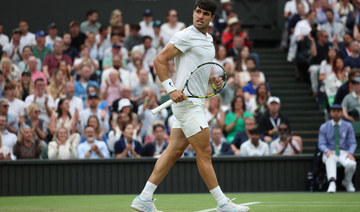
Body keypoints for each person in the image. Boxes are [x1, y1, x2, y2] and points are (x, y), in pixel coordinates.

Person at [131, 1, 250, 211]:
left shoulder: (208, 39)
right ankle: (222, 202)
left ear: (212, 18)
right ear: (193, 13)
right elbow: (159, 60)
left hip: (194, 102)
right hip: (187, 104)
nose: (200, 16)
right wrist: (170, 89)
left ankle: (144, 198)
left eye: (205, 14)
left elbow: (200, 69)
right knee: (205, 151)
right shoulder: (185, 35)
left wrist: (214, 79)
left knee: (174, 151)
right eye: (197, 12)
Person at [318, 104, 357, 193]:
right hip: (330, 151)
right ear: (330, 113)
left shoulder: (348, 126)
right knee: (330, 158)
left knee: (352, 164)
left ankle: (347, 182)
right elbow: (321, 144)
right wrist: (326, 150)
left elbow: (353, 143)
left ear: (342, 113)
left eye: (338, 111)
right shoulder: (324, 127)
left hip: (344, 152)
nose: (336, 113)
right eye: (334, 111)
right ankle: (332, 183)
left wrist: (350, 153)